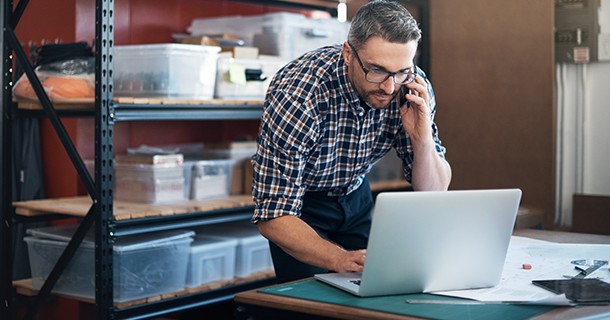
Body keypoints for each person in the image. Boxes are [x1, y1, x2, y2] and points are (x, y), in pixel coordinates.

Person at [251, 0, 452, 283]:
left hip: (356, 195)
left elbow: (433, 191)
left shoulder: (411, 86)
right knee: (312, 306)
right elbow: (273, 215)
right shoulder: (300, 94)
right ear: (348, 53)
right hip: (301, 208)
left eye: (401, 71)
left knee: (375, 291)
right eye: (377, 70)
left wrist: (422, 140)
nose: (389, 87)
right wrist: (338, 259)